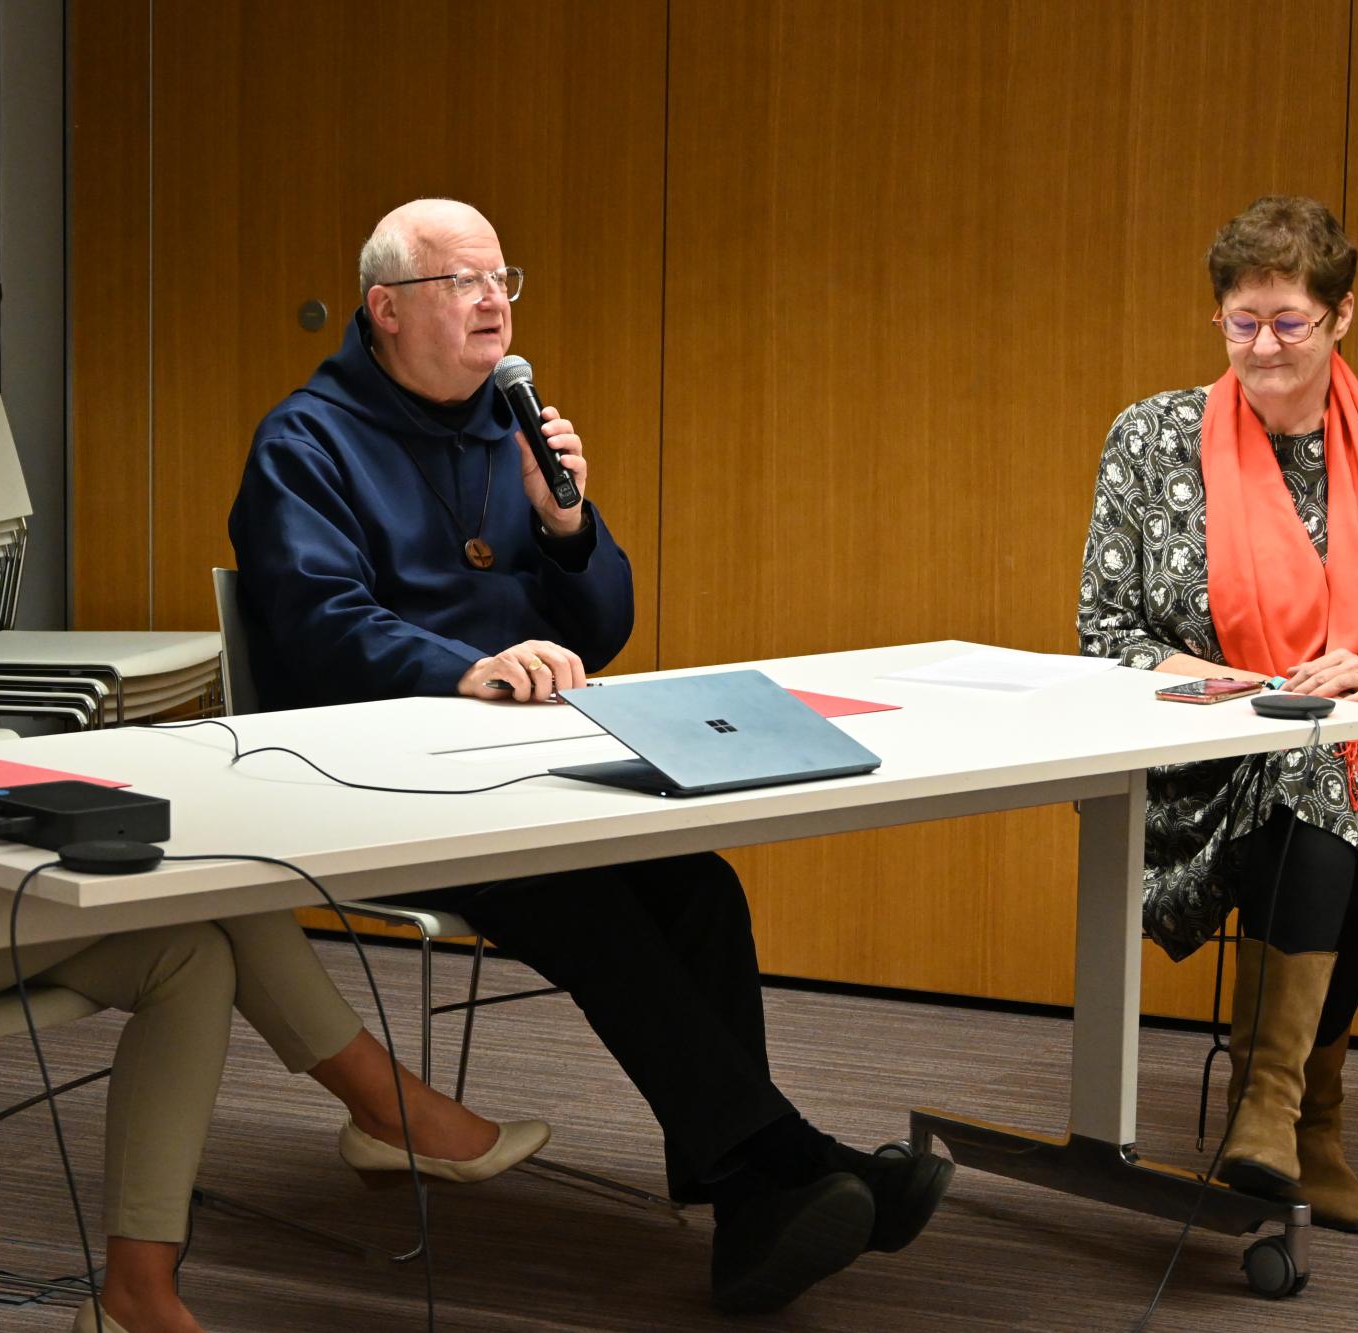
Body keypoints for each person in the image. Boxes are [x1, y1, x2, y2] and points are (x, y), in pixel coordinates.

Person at [0, 278, 546, 1333]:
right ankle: (386, 1107)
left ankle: (137, 1292)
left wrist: (78, 772)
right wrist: (33, 809)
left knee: (193, 946)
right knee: (186, 895)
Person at [230, 199, 954, 1314]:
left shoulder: (504, 427)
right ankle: (779, 1166)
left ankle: (751, 1184)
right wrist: (457, 667)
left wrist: (565, 527)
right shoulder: (305, 441)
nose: (492, 302)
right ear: (384, 308)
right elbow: (315, 622)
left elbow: (602, 625)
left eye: (502, 279)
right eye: (460, 282)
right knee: (580, 896)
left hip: (522, 775)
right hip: (373, 785)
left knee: (697, 886)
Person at [1077, 197, 1358, 1233]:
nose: (1261, 345)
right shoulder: (1151, 436)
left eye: (1286, 322)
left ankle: (1277, 1112)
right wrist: (1240, 692)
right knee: (1326, 768)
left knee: (1338, 763)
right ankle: (1297, 1111)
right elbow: (1103, 633)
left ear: (1339, 316)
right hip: (1193, 756)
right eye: (1240, 323)